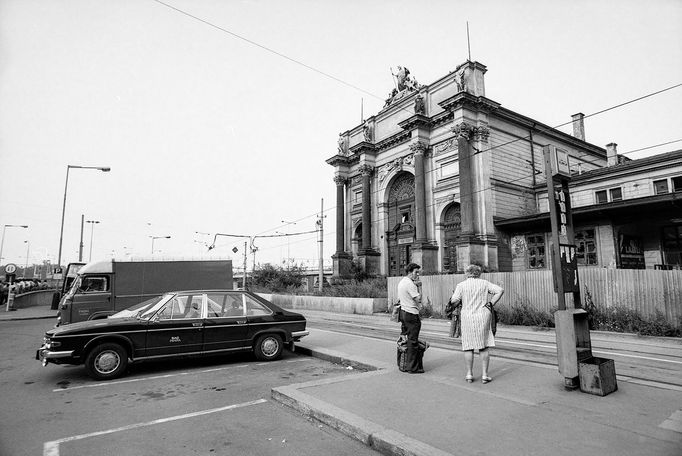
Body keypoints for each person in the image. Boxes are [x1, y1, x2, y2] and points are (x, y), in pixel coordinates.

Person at [450, 264, 504, 384]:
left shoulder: (461, 285)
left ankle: (469, 374)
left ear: (467, 273)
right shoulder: (484, 283)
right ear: (478, 273)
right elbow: (500, 290)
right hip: (483, 316)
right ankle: (485, 375)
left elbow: (454, 301)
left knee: (468, 346)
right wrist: (491, 303)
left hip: (467, 317)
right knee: (484, 346)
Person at [397, 262, 424, 374]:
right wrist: (420, 287)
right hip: (411, 314)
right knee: (413, 341)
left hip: (403, 312)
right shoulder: (410, 284)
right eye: (416, 272)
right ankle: (413, 367)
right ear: (410, 272)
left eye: (418, 272)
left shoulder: (402, 282)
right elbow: (419, 299)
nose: (417, 275)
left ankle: (403, 364)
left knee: (405, 339)